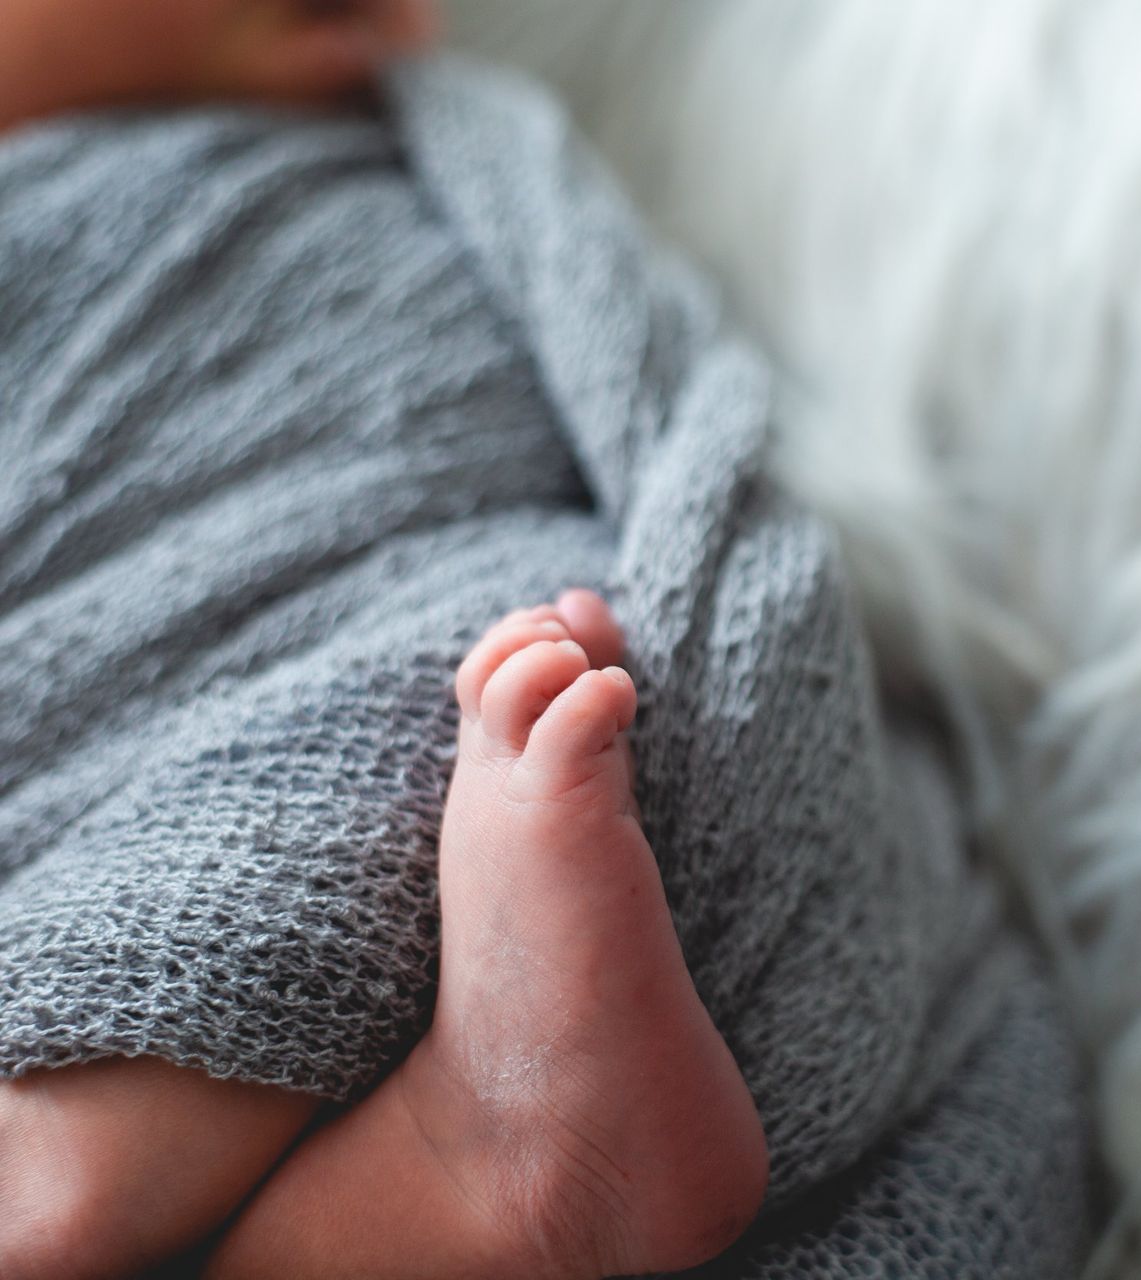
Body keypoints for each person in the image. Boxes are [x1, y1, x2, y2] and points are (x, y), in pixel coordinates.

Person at [0, 3, 769, 1275]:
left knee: (442, 686)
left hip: (428, 594)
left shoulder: (347, 207)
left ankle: (481, 1147)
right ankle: (476, 1172)